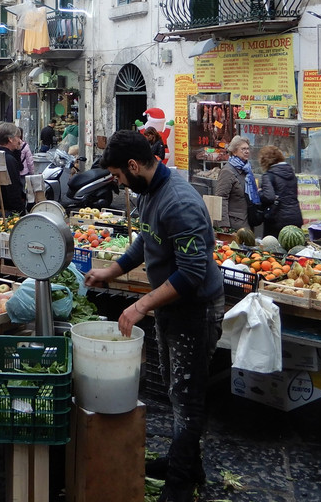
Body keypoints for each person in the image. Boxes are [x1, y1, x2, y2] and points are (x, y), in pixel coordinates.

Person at [84, 130, 223, 502]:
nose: (116, 183)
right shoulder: (149, 194)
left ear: (133, 166)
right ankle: (187, 465)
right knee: (176, 390)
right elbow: (145, 242)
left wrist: (141, 305)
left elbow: (193, 272)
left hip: (195, 309)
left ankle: (180, 486)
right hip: (171, 308)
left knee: (187, 395)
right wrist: (110, 271)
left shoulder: (178, 202)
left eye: (116, 175)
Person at [213, 136, 254, 231]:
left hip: (247, 220)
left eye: (248, 149)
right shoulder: (227, 171)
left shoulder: (247, 169)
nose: (247, 151)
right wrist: (224, 224)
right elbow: (221, 197)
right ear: (234, 151)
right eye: (243, 149)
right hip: (234, 224)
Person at [259, 145, 304, 232]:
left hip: (277, 219)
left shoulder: (268, 175)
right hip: (295, 217)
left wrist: (260, 193)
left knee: (272, 244)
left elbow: (269, 197)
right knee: (294, 244)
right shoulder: (291, 173)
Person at [0, 122, 27, 215]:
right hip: (6, 208)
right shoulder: (8, 159)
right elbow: (13, 188)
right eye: (18, 137)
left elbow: (20, 167)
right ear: (10, 139)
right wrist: (20, 210)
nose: (20, 141)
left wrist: (17, 151)